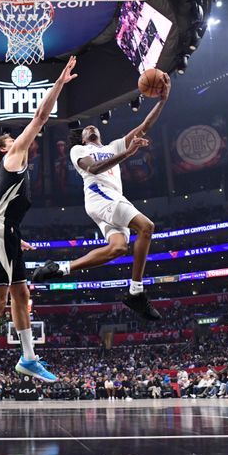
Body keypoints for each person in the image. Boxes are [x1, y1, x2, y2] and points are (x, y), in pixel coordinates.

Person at [0, 56, 78, 395]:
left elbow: (6, 210)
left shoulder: (12, 170)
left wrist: (17, 237)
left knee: (21, 294)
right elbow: (41, 116)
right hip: (0, 232)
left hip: (7, 233)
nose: (19, 139)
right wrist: (59, 82)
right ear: (3, 149)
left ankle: (28, 357)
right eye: (11, 138)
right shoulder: (12, 159)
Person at [31, 77, 170, 322]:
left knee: (117, 248)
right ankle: (136, 291)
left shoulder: (114, 145)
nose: (91, 128)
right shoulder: (79, 150)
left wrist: (162, 100)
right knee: (147, 227)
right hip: (102, 197)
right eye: (86, 130)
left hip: (109, 202)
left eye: (93, 128)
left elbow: (144, 126)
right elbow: (93, 169)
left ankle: (61, 269)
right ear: (83, 138)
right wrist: (128, 153)